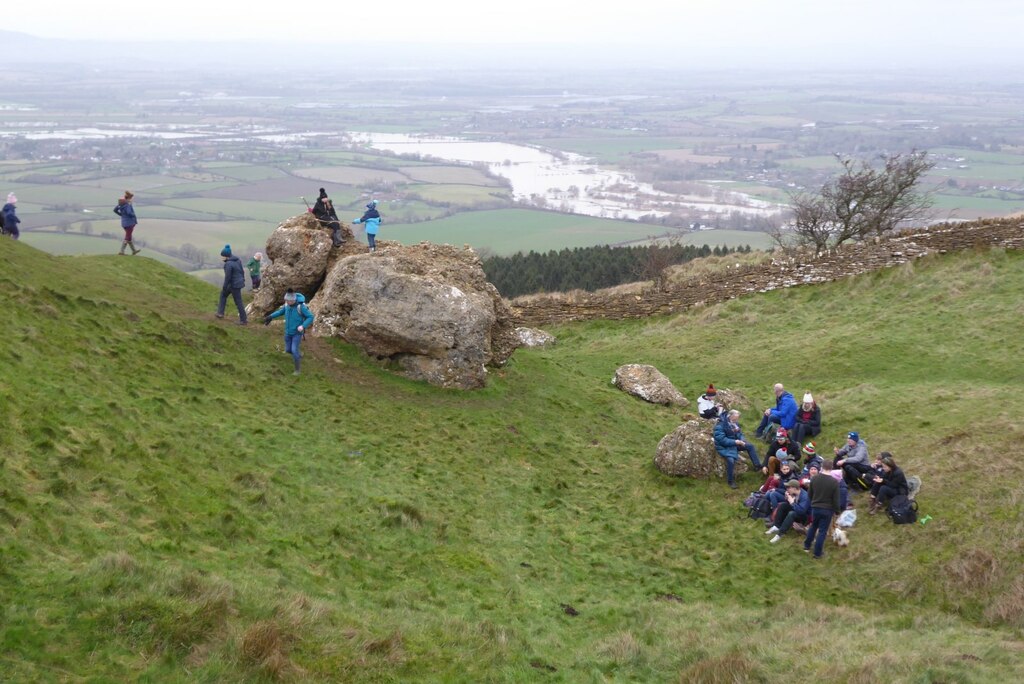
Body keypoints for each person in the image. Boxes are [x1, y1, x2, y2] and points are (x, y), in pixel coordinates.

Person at [264, 289, 315, 376]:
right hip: (287, 332)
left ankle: (297, 370)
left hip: (297, 333)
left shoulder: (301, 307)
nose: (286, 302)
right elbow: (281, 312)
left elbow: (310, 317)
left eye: (288, 300)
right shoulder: (287, 305)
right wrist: (270, 316)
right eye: (286, 300)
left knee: (294, 349)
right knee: (288, 349)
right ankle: (298, 354)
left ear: (293, 300)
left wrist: (303, 326)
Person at [713, 409, 762, 489]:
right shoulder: (720, 425)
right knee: (731, 460)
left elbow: (739, 433)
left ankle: (757, 466)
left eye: (737, 419)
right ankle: (730, 481)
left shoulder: (734, 423)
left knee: (750, 446)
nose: (736, 420)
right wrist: (736, 442)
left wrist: (742, 439)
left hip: (734, 443)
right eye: (735, 419)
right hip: (724, 446)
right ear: (730, 416)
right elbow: (722, 440)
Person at [804, 461, 843, 559]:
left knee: (813, 526)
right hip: (827, 510)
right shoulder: (834, 482)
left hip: (815, 508)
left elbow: (809, 494)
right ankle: (817, 553)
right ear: (832, 468)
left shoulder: (814, 479)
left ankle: (807, 546)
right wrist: (837, 511)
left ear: (822, 467)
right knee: (822, 531)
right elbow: (836, 499)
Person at [765, 479, 810, 544]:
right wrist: (787, 498)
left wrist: (792, 502)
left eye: (788, 487)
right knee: (783, 505)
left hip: (804, 517)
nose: (787, 489)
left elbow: (801, 511)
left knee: (792, 513)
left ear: (794, 488)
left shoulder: (805, 496)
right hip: (797, 511)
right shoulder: (794, 493)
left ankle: (780, 534)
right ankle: (776, 526)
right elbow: (792, 506)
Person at [215, 245, 247, 325]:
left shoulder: (228, 264)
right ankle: (220, 313)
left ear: (226, 256)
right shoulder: (237, 260)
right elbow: (242, 271)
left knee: (238, 302)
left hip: (234, 284)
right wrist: (243, 279)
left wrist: (224, 286)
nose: (221, 258)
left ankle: (243, 320)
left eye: (222, 256)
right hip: (238, 282)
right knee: (223, 295)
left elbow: (228, 277)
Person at [113, 191, 140, 255]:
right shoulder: (128, 204)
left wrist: (121, 215)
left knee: (129, 237)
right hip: (130, 223)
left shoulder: (121, 204)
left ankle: (134, 250)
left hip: (124, 223)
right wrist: (133, 215)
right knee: (127, 237)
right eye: (131, 198)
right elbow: (129, 213)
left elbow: (115, 210)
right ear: (129, 198)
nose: (132, 200)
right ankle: (121, 251)